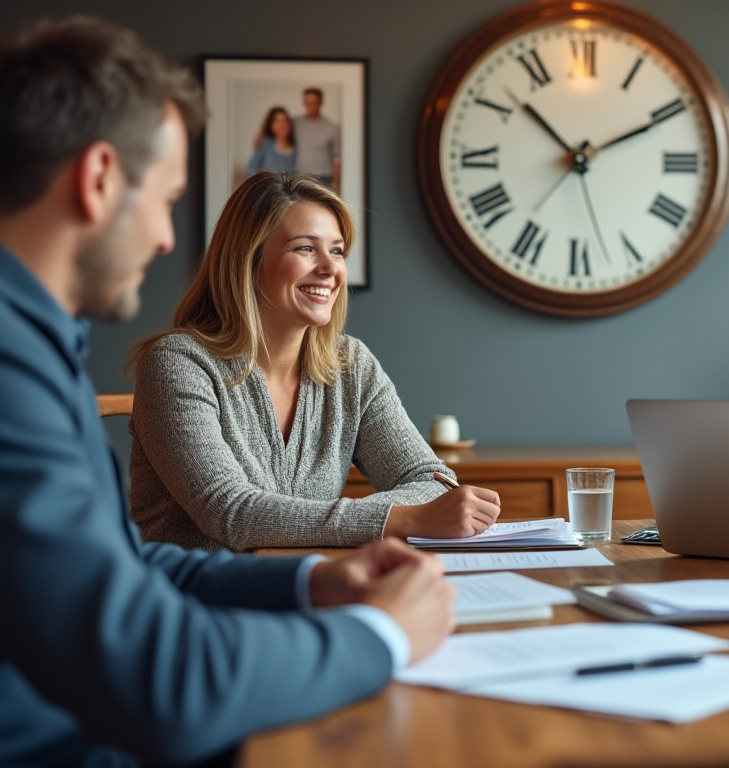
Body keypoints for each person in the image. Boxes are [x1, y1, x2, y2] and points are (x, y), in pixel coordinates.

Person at [0, 17, 455, 767]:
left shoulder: (39, 350)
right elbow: (165, 682)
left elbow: (129, 566)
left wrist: (313, 581)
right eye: (167, 200)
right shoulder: (20, 368)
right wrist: (385, 634)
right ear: (99, 179)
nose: (166, 240)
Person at [129, 171, 502, 551]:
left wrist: (400, 514)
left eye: (337, 250)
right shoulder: (178, 363)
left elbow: (430, 479)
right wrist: (398, 518)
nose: (330, 269)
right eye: (305, 248)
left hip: (311, 586)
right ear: (248, 258)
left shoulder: (350, 365)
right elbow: (230, 512)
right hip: (193, 599)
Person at [295, 87, 341, 191]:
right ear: (304, 103)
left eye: (314, 102)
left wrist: (335, 184)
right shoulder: (295, 123)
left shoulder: (332, 128)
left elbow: (337, 159)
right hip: (300, 177)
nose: (310, 106)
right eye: (307, 102)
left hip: (324, 178)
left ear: (321, 102)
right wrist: (261, 135)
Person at [244, 105, 296, 175]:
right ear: (271, 125)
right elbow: (250, 169)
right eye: (277, 121)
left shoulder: (296, 149)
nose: (282, 125)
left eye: (284, 120)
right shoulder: (264, 145)